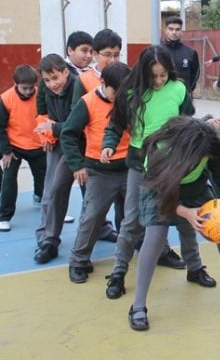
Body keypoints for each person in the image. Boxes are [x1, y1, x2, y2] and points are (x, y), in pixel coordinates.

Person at [128, 116, 220, 331]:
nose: (206, 158)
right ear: (190, 152)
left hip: (195, 187)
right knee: (155, 236)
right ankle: (138, 306)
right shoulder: (161, 152)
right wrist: (185, 212)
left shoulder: (211, 142)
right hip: (160, 191)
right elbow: (157, 193)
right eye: (204, 156)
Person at [101, 46, 204, 300]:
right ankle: (118, 273)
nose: (159, 81)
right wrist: (108, 144)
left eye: (163, 75)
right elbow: (115, 124)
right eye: (153, 76)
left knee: (186, 219)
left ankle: (195, 267)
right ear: (143, 74)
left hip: (173, 163)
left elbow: (188, 122)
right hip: (139, 163)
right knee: (131, 221)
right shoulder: (131, 92)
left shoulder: (179, 89)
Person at [62, 63, 131, 283]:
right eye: (115, 93)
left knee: (136, 215)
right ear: (103, 84)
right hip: (100, 171)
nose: (120, 97)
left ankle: (148, 252)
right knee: (92, 216)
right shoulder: (88, 102)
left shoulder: (130, 100)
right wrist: (77, 165)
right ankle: (79, 260)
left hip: (130, 167)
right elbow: (68, 134)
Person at [32, 54, 80, 263]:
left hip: (78, 143)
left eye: (55, 78)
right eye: (47, 80)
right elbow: (41, 112)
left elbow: (76, 123)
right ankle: (48, 239)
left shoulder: (78, 85)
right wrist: (46, 134)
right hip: (58, 141)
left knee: (95, 194)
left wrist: (53, 128)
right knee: (52, 189)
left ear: (65, 72)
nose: (52, 84)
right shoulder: (44, 87)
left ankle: (104, 230)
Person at [0, 65, 46, 232]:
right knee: (9, 181)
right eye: (24, 88)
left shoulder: (42, 95)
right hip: (14, 148)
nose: (28, 91)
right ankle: (4, 216)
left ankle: (41, 199)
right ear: (15, 84)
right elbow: (0, 127)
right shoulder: (5, 99)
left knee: (44, 178)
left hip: (37, 145)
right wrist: (6, 151)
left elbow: (47, 118)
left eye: (31, 88)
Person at [162, 16, 200, 93]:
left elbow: (196, 73)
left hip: (184, 95)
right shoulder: (157, 51)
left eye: (177, 29)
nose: (174, 32)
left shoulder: (191, 52)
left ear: (181, 32)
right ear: (165, 31)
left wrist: (188, 89)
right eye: (171, 29)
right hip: (163, 94)